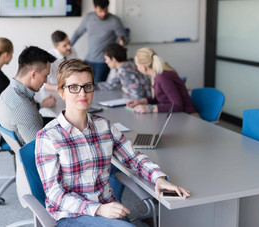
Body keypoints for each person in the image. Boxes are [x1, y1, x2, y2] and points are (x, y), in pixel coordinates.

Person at [35, 59, 190, 226]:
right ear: (61, 92)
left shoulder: (104, 126)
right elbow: (55, 194)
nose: (82, 93)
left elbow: (133, 158)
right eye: (74, 87)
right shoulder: (48, 137)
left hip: (107, 208)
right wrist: (98, 209)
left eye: (88, 86)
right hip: (71, 215)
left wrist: (159, 178)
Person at [0, 46, 57, 145]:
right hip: (36, 151)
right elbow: (40, 148)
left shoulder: (10, 91)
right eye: (45, 76)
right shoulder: (22, 107)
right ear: (33, 74)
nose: (46, 81)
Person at [127, 47, 198, 115]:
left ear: (144, 67)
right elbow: (160, 97)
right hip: (178, 116)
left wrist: (150, 108)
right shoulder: (157, 76)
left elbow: (177, 105)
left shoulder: (163, 77)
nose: (137, 68)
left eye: (137, 66)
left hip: (188, 116)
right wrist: (141, 101)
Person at [70, 0, 126, 82]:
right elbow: (77, 33)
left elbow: (124, 38)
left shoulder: (115, 21)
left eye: (105, 10)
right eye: (100, 11)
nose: (103, 14)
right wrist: (69, 46)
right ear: (95, 8)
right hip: (89, 59)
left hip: (104, 62)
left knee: (97, 87)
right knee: (83, 82)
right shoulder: (88, 18)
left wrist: (123, 40)